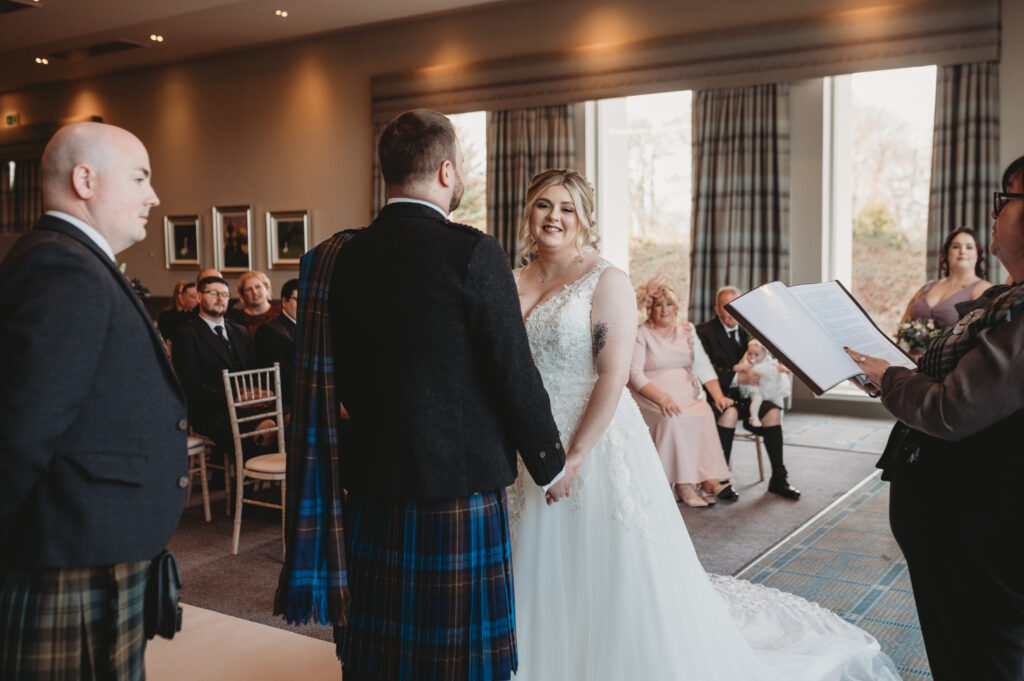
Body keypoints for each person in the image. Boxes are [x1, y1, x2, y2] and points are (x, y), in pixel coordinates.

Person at [507, 168, 898, 681]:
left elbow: (612, 375)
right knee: (528, 553)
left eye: (566, 207)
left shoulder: (605, 281)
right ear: (528, 212)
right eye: (543, 205)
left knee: (599, 561)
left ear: (584, 219)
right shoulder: (508, 280)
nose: (553, 217)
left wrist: (573, 456)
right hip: (525, 437)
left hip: (592, 439)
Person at [275, 109, 566, 681]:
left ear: (387, 173)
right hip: (456, 488)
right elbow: (513, 370)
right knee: (454, 658)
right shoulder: (472, 252)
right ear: (447, 172)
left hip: (371, 483)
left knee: (379, 647)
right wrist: (549, 463)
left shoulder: (337, 257)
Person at [0, 122, 188, 679]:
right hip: (70, 557)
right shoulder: (62, 265)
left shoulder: (75, 260)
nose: (153, 196)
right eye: (139, 178)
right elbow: (22, 428)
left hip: (93, 549)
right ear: (84, 179)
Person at [845, 154, 1024, 681]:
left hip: (984, 529)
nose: (995, 215)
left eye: (1006, 198)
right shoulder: (1006, 299)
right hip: (963, 523)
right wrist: (880, 371)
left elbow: (952, 408)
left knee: (984, 659)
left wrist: (889, 377)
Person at [628, 275, 736, 507]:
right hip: (651, 396)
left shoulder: (687, 330)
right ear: (650, 308)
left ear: (676, 307)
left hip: (687, 393)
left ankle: (707, 480)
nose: (664, 310)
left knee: (704, 413)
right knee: (674, 420)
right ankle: (683, 485)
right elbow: (634, 374)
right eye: (658, 304)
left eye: (669, 304)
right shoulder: (641, 333)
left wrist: (717, 395)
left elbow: (703, 365)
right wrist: (662, 398)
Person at [696, 287, 801, 499]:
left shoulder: (748, 331)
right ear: (717, 310)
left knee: (772, 412)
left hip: (750, 395)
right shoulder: (703, 332)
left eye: (736, 307)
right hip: (718, 397)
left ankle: (778, 479)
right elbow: (702, 370)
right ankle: (721, 479)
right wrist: (737, 378)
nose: (732, 312)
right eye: (727, 308)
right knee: (730, 413)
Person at [171, 276, 256, 451]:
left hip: (246, 406)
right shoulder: (186, 334)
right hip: (210, 410)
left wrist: (257, 393)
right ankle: (246, 475)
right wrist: (234, 398)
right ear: (199, 297)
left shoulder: (240, 331)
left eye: (225, 294)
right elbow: (189, 386)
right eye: (213, 293)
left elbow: (252, 370)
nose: (220, 299)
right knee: (262, 429)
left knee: (289, 420)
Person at [901, 226, 991, 328]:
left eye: (969, 247)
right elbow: (903, 325)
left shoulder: (984, 289)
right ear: (947, 253)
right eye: (956, 247)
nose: (962, 251)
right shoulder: (927, 287)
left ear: (977, 255)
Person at [254, 277, 298, 410]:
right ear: (284, 301)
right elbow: (280, 376)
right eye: (298, 300)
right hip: (285, 398)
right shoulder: (269, 330)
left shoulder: (311, 327)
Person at [735, 339, 792, 428]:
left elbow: (778, 367)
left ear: (764, 355)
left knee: (779, 401)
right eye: (749, 354)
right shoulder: (747, 364)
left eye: (756, 354)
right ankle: (754, 417)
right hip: (756, 389)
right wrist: (740, 367)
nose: (752, 357)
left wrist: (783, 370)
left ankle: (779, 421)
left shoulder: (768, 362)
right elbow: (736, 368)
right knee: (756, 400)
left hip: (769, 389)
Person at [228, 270, 280, 337]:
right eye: (249, 289)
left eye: (258, 287)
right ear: (243, 295)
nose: (254, 292)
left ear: (267, 288)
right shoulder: (235, 317)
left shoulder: (280, 312)